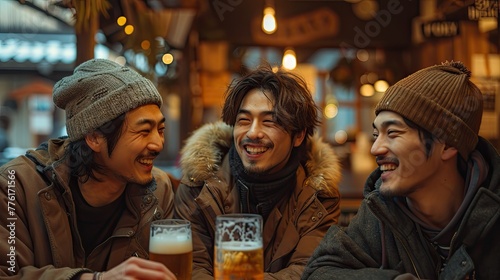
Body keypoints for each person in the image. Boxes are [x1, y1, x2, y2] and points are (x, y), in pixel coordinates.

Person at [302, 61, 500, 279]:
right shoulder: (382, 212)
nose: (375, 148)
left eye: (393, 133)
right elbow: (318, 273)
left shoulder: (492, 218)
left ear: (447, 144)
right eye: (376, 135)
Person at [0, 59, 177, 280]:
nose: (158, 144)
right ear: (94, 137)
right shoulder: (16, 186)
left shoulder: (159, 191)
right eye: (143, 131)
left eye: (160, 129)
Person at [174, 64, 342, 279]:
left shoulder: (320, 196)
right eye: (243, 120)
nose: (253, 133)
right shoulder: (199, 185)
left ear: (298, 135)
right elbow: (192, 267)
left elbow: (309, 270)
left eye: (270, 122)